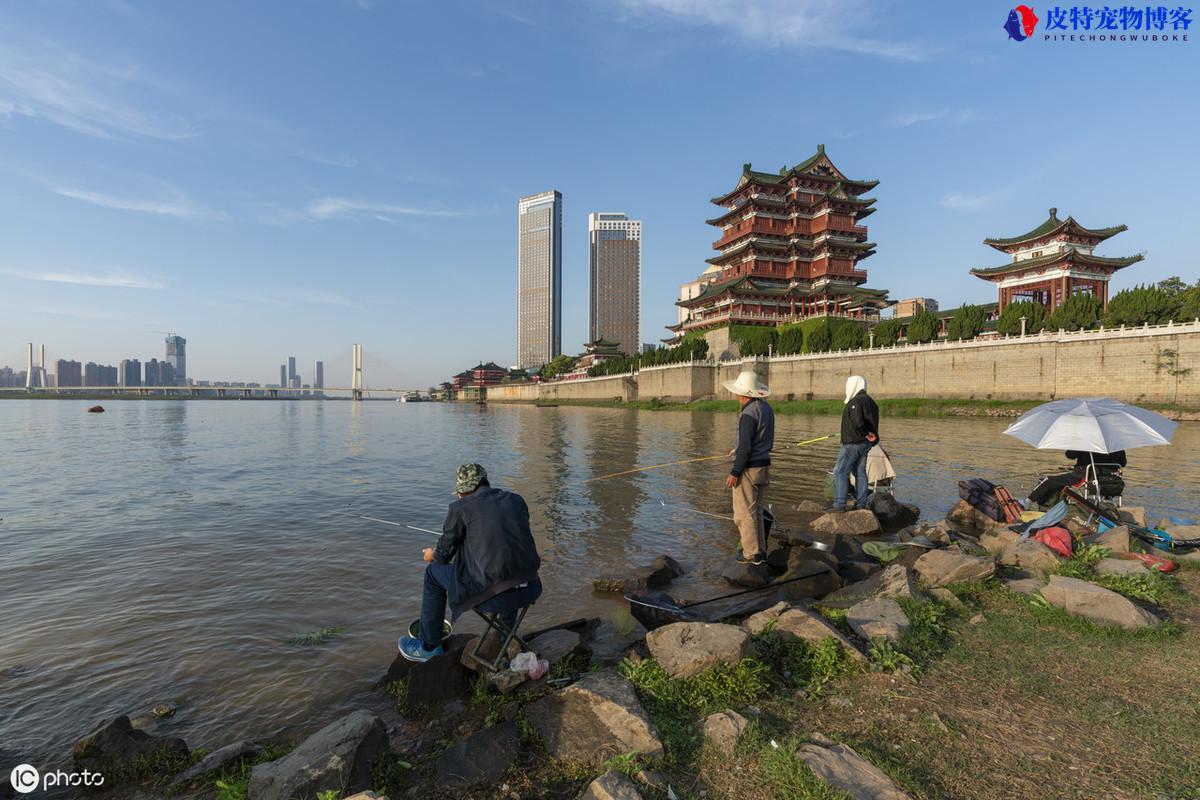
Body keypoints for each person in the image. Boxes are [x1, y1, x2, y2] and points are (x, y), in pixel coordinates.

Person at [398, 463, 542, 662]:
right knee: (507, 566)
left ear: (461, 492)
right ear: (485, 481)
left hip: (496, 598)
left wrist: (431, 554)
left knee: (432, 574)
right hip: (531, 588)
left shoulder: (460, 509)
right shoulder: (516, 500)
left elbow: (443, 555)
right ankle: (504, 636)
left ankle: (429, 646)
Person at [723, 370, 774, 566]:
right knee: (757, 511)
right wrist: (738, 448)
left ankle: (751, 554)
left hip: (748, 470)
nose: (736, 396)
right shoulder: (766, 409)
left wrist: (734, 472)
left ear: (743, 394)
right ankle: (760, 551)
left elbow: (746, 448)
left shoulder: (747, 414)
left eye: (737, 393)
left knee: (744, 514)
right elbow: (756, 439)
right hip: (762, 467)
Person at [830, 375, 879, 512]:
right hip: (864, 444)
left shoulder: (855, 402)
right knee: (860, 472)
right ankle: (862, 503)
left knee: (840, 472)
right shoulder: (872, 402)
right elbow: (872, 424)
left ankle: (839, 505)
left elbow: (858, 422)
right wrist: (872, 437)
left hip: (853, 443)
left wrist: (866, 433)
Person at [1026, 449, 1127, 507]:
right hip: (1108, 478)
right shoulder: (1115, 446)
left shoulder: (1086, 441)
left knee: (1049, 480)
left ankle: (1027, 502)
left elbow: (1069, 454)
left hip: (1083, 475)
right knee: (1060, 481)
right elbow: (1123, 463)